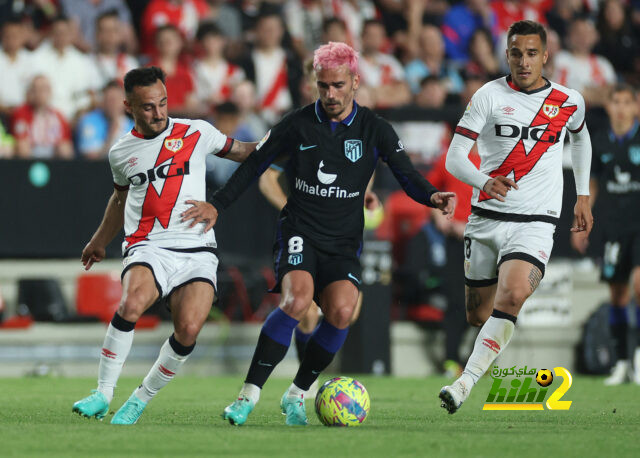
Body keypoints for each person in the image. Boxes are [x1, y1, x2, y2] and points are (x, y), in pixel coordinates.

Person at [188, 41, 455, 426]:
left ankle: (297, 394)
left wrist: (433, 195)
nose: (330, 94)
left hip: (343, 241)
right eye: (323, 85)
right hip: (300, 231)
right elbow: (254, 166)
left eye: (338, 86)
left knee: (343, 311)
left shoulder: (375, 130)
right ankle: (247, 396)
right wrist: (218, 204)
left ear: (355, 83)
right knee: (297, 302)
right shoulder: (296, 124)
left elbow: (407, 176)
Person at [71, 66, 256, 425]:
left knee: (189, 329)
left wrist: (285, 142)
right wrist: (99, 240)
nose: (158, 114)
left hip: (198, 248)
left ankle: (140, 399)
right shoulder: (121, 152)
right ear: (128, 106)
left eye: (162, 103)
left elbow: (244, 152)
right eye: (147, 107)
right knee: (132, 300)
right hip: (148, 244)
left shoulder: (197, 132)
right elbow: (119, 199)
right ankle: (103, 393)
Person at [439, 20, 593, 414]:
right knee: (478, 313)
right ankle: (484, 352)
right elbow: (455, 158)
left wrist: (583, 193)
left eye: (530, 53)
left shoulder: (568, 100)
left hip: (537, 220)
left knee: (514, 294)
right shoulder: (487, 96)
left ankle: (464, 383)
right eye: (515, 53)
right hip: (486, 218)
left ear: (545, 56)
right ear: (506, 55)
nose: (523, 62)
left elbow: (580, 135)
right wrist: (483, 180)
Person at [572, 84, 640, 385]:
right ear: (609, 107)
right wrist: (583, 221)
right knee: (617, 295)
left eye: (628, 102)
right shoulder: (599, 142)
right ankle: (622, 362)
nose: (622, 109)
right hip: (614, 227)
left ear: (636, 107)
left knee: (639, 285)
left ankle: (638, 356)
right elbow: (593, 186)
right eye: (617, 102)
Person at [11, 75, 73, 159]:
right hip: (32, 152)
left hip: (52, 152)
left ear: (50, 92)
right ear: (31, 92)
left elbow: (65, 142)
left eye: (45, 89)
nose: (41, 93)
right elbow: (20, 139)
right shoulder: (22, 112)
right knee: (23, 146)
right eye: (37, 89)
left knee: (65, 149)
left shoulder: (58, 116)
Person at [76, 80, 134, 160]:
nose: (113, 104)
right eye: (109, 100)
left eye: (116, 99)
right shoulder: (89, 121)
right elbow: (91, 159)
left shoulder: (133, 127)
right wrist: (111, 133)